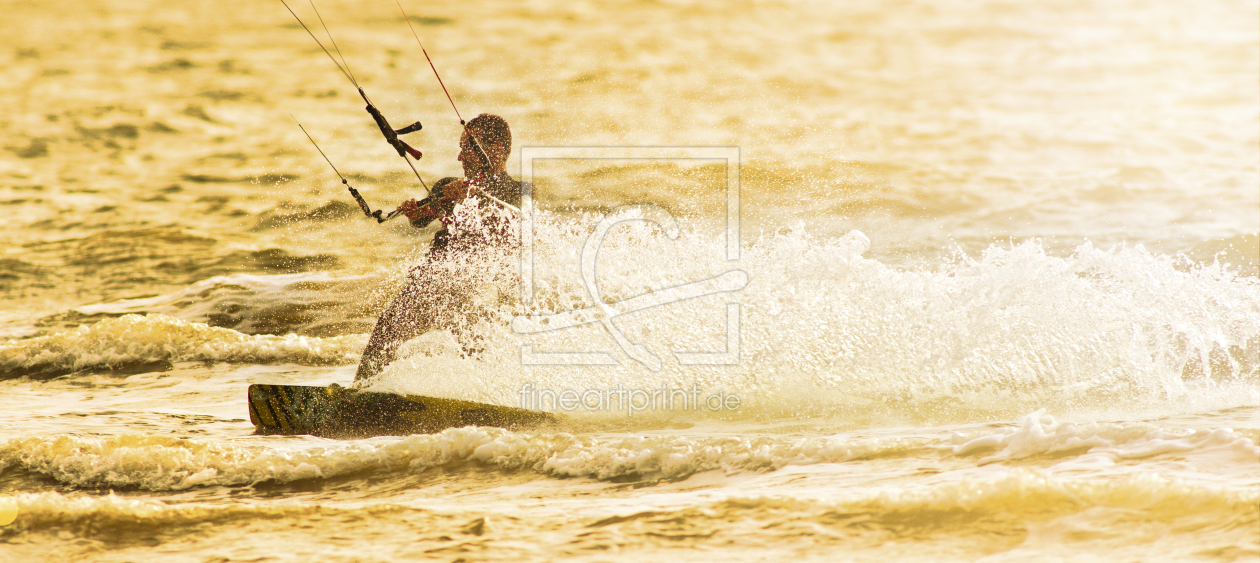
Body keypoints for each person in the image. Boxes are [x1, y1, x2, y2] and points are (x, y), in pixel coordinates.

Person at [354, 114, 521, 383]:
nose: (460, 157)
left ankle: (486, 395)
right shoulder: (447, 186)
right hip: (434, 282)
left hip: (481, 285)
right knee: (386, 330)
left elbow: (512, 227)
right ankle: (361, 391)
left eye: (468, 147)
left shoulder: (519, 191)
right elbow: (424, 217)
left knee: (476, 327)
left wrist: (473, 193)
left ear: (497, 149)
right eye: (461, 147)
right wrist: (413, 212)